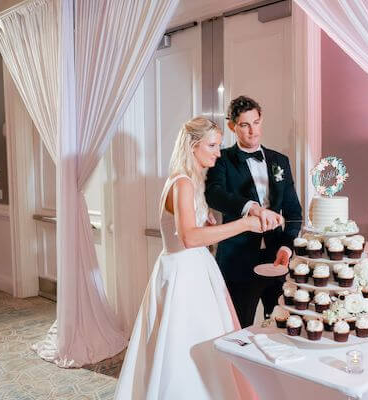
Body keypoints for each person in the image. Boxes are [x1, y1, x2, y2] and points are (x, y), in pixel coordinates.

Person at [115, 117, 259, 400]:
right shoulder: (183, 184)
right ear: (194, 146)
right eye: (213, 146)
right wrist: (243, 224)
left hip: (190, 269)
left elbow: (198, 234)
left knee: (195, 342)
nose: (218, 153)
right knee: (187, 346)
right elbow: (189, 239)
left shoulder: (187, 182)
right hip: (184, 274)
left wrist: (213, 226)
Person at [205, 95, 303, 327]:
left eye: (256, 122)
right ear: (232, 126)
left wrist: (286, 248)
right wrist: (250, 207)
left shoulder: (280, 161)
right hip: (236, 261)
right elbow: (214, 194)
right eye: (245, 125)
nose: (252, 131)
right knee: (238, 328)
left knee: (281, 327)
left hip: (276, 261)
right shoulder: (222, 159)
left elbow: (294, 212)